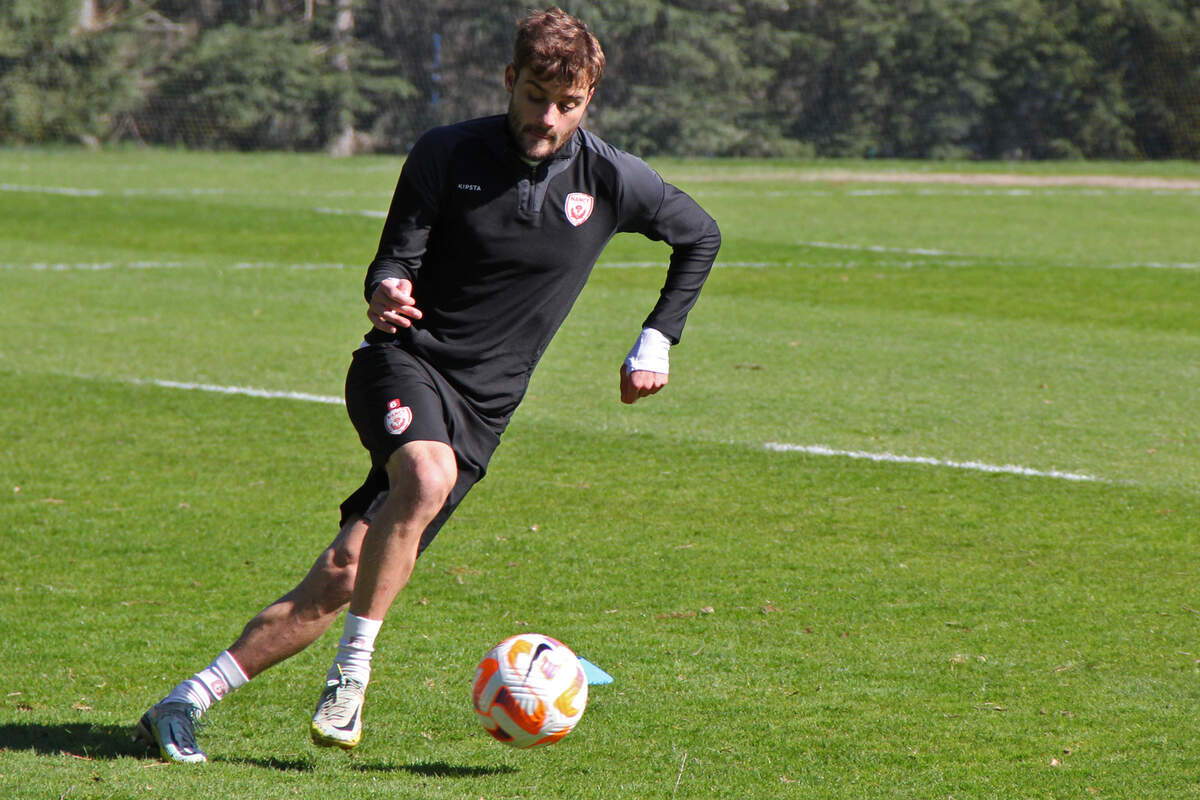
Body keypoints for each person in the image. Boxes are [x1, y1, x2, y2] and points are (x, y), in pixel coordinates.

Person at [135, 6, 720, 763]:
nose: (547, 118)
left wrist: (656, 339)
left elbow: (700, 234)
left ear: (590, 99)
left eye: (567, 104)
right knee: (425, 470)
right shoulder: (447, 152)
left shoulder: (610, 177)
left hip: (483, 410)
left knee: (346, 572)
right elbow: (394, 259)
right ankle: (352, 676)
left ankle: (182, 703)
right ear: (509, 80)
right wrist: (385, 289)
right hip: (402, 362)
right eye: (535, 95)